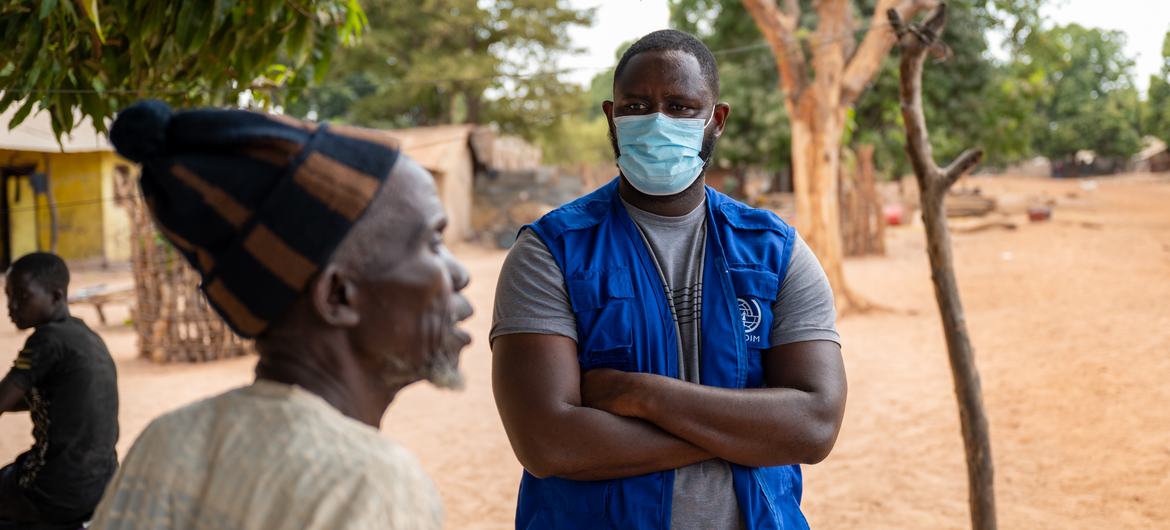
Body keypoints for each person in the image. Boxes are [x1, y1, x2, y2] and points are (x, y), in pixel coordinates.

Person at [491, 30, 847, 529]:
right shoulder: (551, 252)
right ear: (611, 116)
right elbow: (547, 442)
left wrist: (641, 396)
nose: (657, 123)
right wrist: (746, 432)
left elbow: (814, 427)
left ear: (715, 120)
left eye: (680, 107)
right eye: (636, 106)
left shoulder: (776, 252)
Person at [88, 100, 473, 530]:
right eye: (433, 243)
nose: (460, 273)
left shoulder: (169, 441)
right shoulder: (370, 484)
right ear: (338, 296)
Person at [0, 252, 119, 526]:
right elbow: (39, 398)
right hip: (102, 480)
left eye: (22, 296)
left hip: (55, 488)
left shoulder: (47, 339)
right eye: (8, 296)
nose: (11, 306)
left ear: (55, 296)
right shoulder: (85, 335)